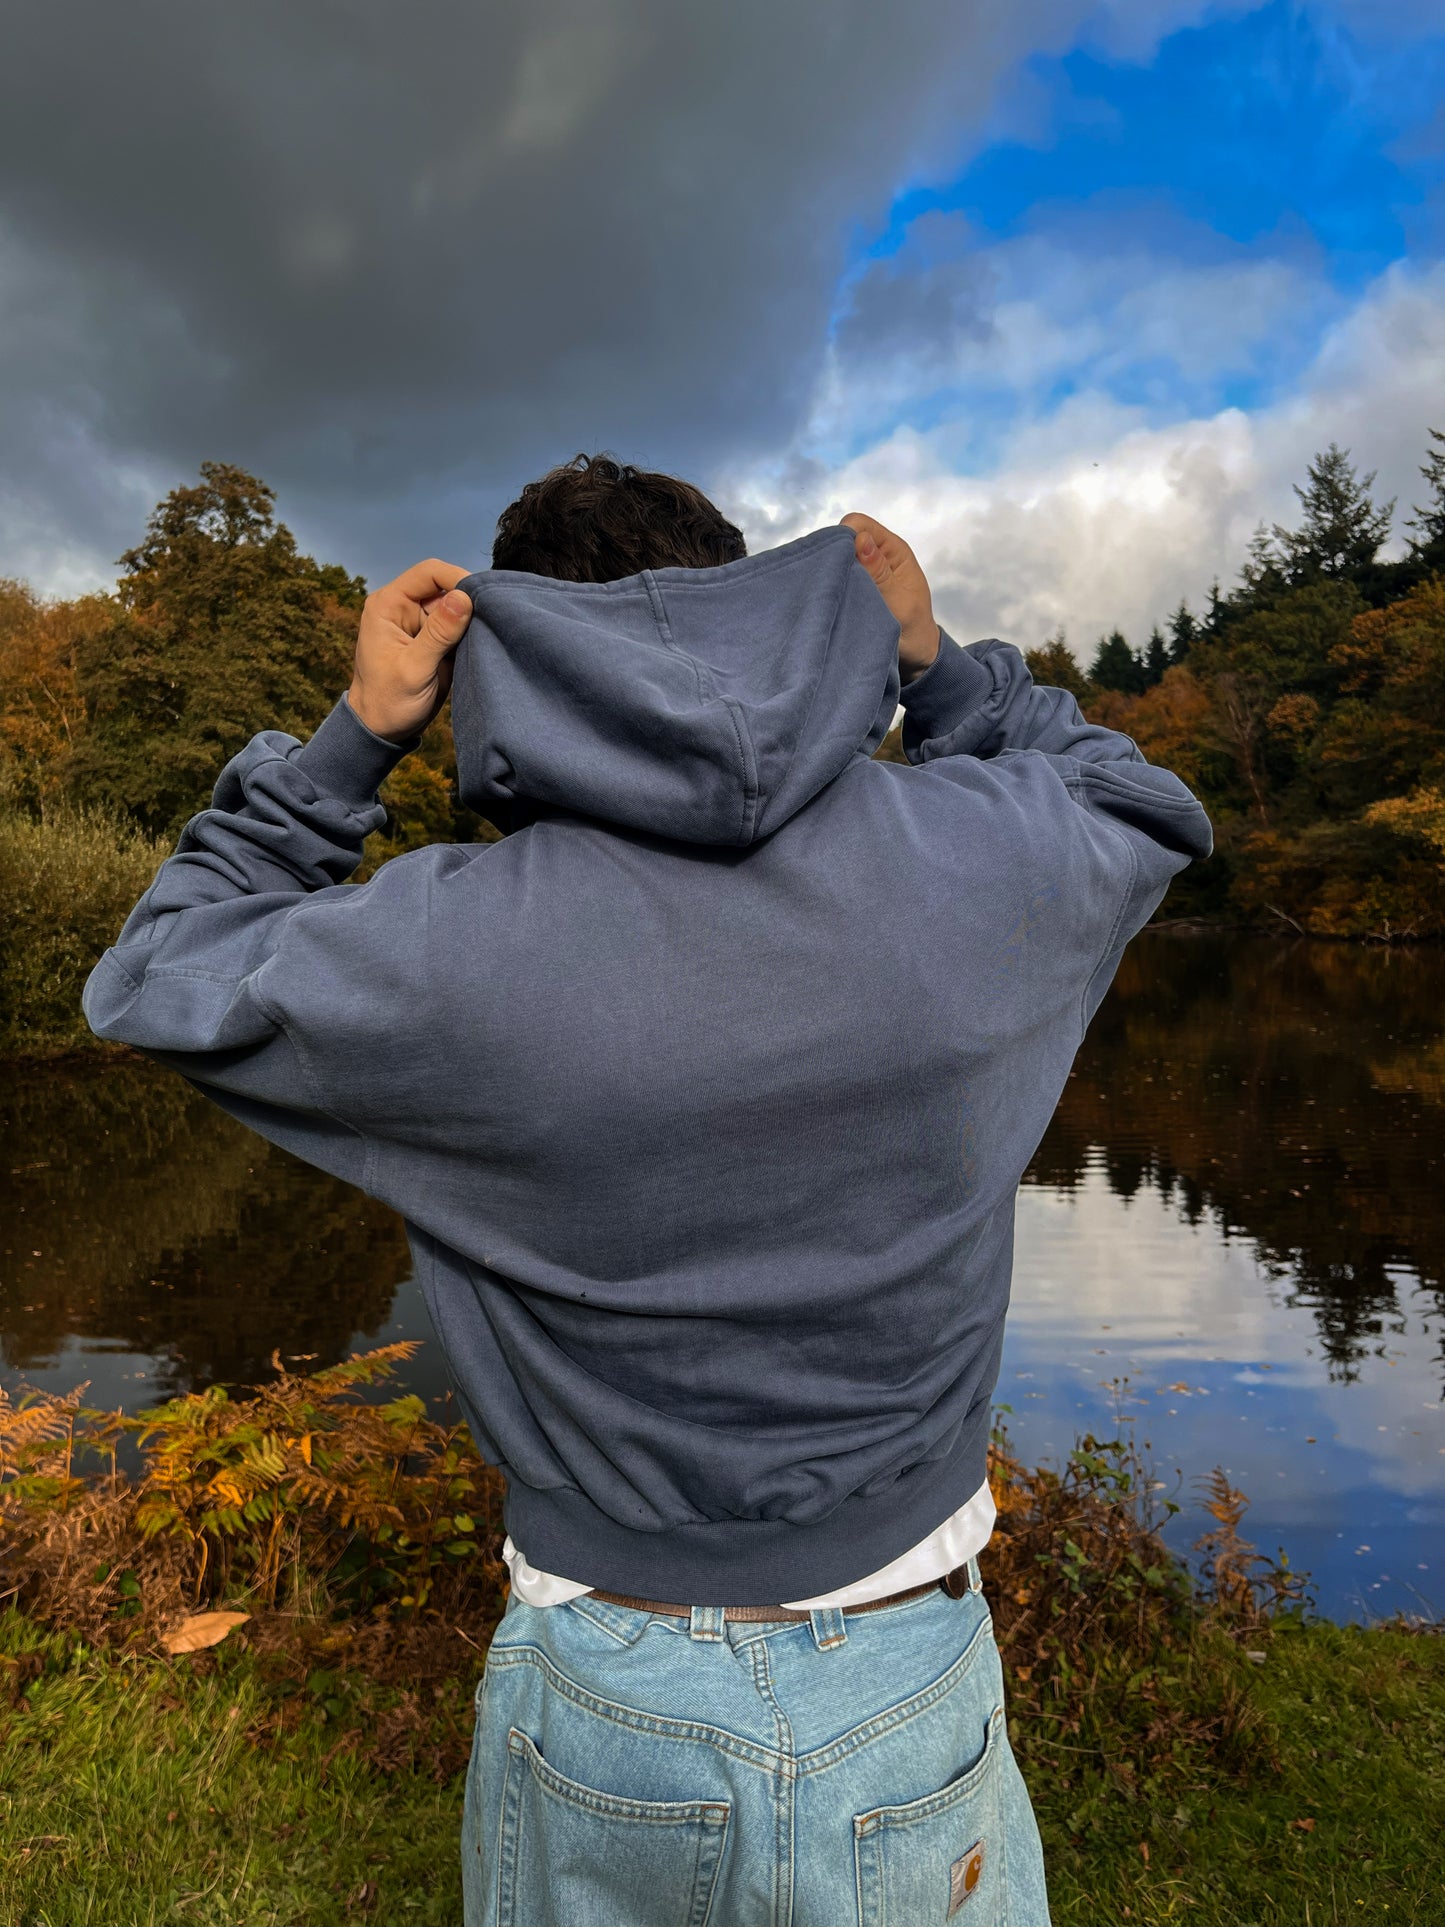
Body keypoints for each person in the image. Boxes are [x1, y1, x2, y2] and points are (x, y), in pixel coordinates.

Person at [84, 453, 1211, 1927]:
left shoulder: (444, 952)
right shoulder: (982, 865)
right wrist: (933, 665)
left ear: (509, 661)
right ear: (776, 617)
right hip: (907, 1664)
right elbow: (1139, 799)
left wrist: (350, 742)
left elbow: (157, 978)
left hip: (605, 1687)